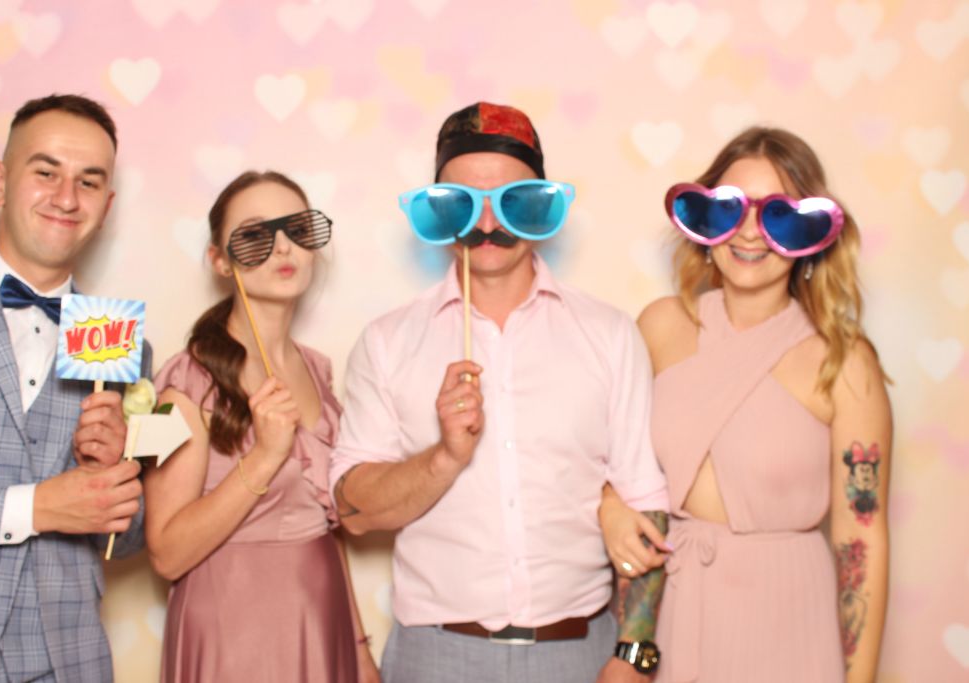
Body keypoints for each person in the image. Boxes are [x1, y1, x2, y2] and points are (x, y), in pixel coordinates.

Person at [330, 102, 671, 683]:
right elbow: (352, 512)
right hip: (435, 657)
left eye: (513, 200)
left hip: (581, 653)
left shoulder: (610, 335)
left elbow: (644, 500)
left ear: (541, 204)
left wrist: (634, 657)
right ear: (439, 211)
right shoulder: (387, 342)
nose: (487, 222)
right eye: (462, 202)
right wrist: (445, 456)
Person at [600, 126, 892, 682]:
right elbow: (611, 458)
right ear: (705, 222)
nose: (751, 232)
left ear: (811, 231)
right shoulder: (660, 327)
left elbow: (862, 536)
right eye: (730, 209)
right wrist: (609, 506)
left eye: (777, 214)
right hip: (672, 611)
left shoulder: (844, 362)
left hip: (788, 618)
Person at [143, 170, 379, 682]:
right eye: (254, 235)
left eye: (298, 229)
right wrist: (264, 457)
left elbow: (327, 525)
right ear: (219, 260)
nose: (283, 247)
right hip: (232, 631)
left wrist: (359, 650)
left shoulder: (318, 370)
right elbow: (164, 553)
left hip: (321, 621)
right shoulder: (180, 383)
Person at [0, 94, 145, 681]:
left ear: (106, 206)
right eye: (46, 173)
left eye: (88, 182)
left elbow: (126, 541)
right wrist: (35, 508)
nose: (67, 198)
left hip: (70, 660)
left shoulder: (117, 338)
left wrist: (116, 475)